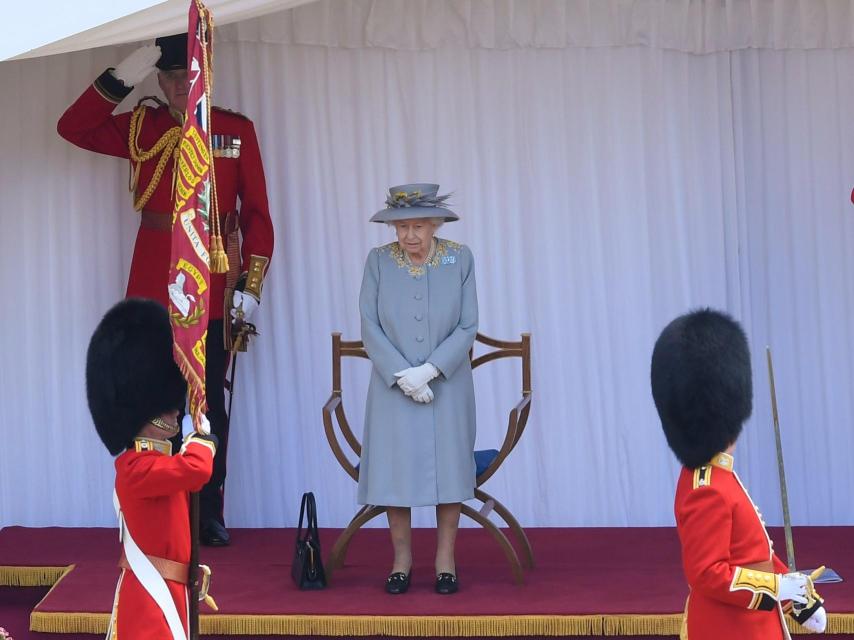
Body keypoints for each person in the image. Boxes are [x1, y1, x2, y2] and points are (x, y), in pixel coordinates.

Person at [58, 33, 275, 546]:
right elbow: (73, 127)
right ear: (158, 80)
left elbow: (256, 214)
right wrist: (122, 77)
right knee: (155, 399)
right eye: (171, 77)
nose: (180, 85)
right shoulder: (144, 126)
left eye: (188, 76)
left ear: (205, 77)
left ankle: (208, 512)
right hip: (155, 282)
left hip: (212, 281)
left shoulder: (233, 130)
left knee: (209, 403)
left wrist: (250, 286)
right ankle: (161, 507)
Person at [650, 309, 827, 639]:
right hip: (730, 629)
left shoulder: (718, 477)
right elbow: (708, 574)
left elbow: (753, 556)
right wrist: (777, 587)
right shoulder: (707, 489)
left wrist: (798, 601)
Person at [358, 183, 478, 595]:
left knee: (450, 468)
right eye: (402, 226)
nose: (409, 235)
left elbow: (468, 325)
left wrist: (429, 370)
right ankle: (401, 561)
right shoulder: (378, 261)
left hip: (448, 386)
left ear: (435, 225)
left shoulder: (460, 259)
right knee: (395, 471)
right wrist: (401, 376)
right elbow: (369, 325)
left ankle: (446, 561)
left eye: (419, 226)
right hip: (392, 389)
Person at [86, 298, 218, 639]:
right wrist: (200, 438)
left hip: (169, 594)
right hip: (150, 598)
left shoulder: (157, 462)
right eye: (168, 407)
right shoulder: (135, 468)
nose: (174, 411)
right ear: (146, 413)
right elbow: (197, 470)